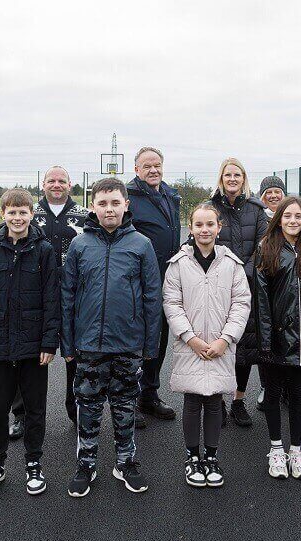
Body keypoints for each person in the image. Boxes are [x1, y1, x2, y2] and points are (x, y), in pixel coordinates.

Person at [61, 178, 161, 497]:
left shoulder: (141, 245)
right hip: (88, 343)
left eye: (115, 203)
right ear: (93, 205)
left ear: (126, 205)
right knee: (87, 405)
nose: (109, 209)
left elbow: (151, 297)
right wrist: (68, 342)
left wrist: (150, 345)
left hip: (128, 342)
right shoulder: (80, 245)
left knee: (124, 404)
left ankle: (125, 462)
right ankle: (86, 463)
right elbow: (68, 295)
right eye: (102, 203)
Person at [0, 189, 59, 496]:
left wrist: (49, 343)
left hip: (34, 349)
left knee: (36, 409)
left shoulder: (44, 250)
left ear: (32, 215)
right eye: (12, 212)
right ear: (3, 214)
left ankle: (34, 464)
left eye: (23, 212)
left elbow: (51, 299)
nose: (18, 218)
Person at [162, 202, 251, 487]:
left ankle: (211, 457)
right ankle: (192, 457)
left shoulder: (232, 264)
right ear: (191, 227)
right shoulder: (177, 265)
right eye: (199, 224)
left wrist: (226, 339)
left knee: (214, 401)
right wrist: (191, 338)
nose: (204, 229)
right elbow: (172, 304)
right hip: (191, 346)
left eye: (210, 224)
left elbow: (241, 303)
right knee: (191, 400)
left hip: (221, 347)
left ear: (218, 227)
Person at [254, 196, 301, 480]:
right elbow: (260, 298)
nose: (293, 221)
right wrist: (265, 339)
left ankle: (296, 450)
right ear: (279, 218)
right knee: (272, 393)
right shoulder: (266, 248)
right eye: (288, 216)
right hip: (275, 337)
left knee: (298, 395)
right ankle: (276, 449)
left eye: (298, 216)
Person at [8, 166, 88, 438]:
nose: (56, 184)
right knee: (26, 355)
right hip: (34, 296)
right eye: (51, 180)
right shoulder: (29, 214)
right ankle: (21, 414)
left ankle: (77, 411)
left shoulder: (85, 216)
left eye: (61, 181)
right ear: (42, 184)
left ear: (70, 184)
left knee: (74, 354)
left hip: (73, 295)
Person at [209, 158, 268, 427]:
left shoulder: (256, 210)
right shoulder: (211, 208)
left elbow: (263, 246)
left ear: (244, 178)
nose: (232, 179)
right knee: (219, 344)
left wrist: (244, 274)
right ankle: (218, 402)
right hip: (217, 289)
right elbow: (204, 244)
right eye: (227, 174)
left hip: (248, 287)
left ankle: (238, 401)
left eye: (237, 174)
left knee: (244, 348)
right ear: (221, 178)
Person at [126, 147, 181, 426]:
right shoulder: (129, 197)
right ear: (136, 169)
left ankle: (149, 394)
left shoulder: (172, 196)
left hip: (167, 280)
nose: (153, 170)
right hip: (139, 282)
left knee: (158, 340)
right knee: (137, 341)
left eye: (157, 165)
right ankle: (130, 400)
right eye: (146, 166)